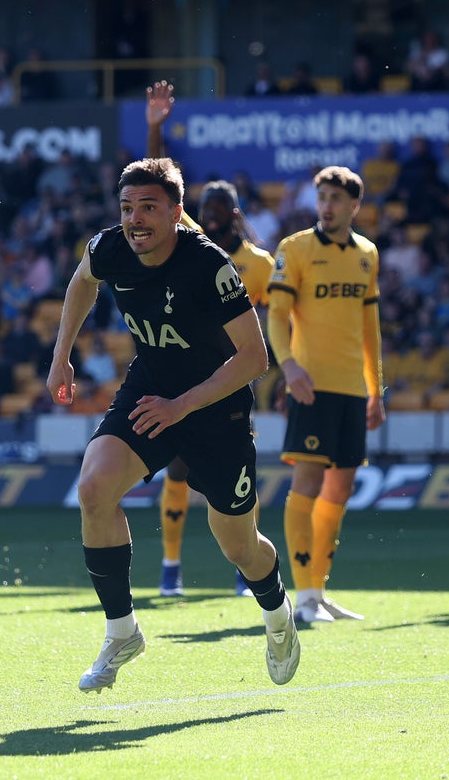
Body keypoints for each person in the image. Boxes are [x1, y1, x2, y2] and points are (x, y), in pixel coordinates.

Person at [45, 156, 299, 693]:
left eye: (149, 208)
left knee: (239, 545)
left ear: (177, 213)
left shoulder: (209, 265)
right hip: (150, 389)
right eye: (127, 207)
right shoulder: (109, 247)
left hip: (218, 406)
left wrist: (182, 407)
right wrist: (61, 354)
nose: (135, 219)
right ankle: (122, 632)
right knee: (94, 489)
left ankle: (278, 614)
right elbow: (81, 283)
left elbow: (255, 358)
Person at [143, 81, 275, 598]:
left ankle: (246, 567)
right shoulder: (193, 241)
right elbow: (156, 183)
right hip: (187, 369)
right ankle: (171, 565)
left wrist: (284, 369)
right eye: (207, 204)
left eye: (220, 206)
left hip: (233, 378)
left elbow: (266, 327)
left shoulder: (260, 265)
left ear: (235, 211)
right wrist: (155, 126)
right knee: (178, 470)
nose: (211, 212)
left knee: (236, 475)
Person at [268, 165, 385, 624]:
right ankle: (304, 593)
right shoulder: (294, 248)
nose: (327, 206)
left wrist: (377, 388)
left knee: (341, 487)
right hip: (310, 385)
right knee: (309, 483)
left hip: (352, 390)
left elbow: (369, 325)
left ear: (354, 205)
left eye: (337, 199)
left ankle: (319, 591)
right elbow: (277, 316)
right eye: (323, 198)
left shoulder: (367, 254)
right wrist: (289, 366)